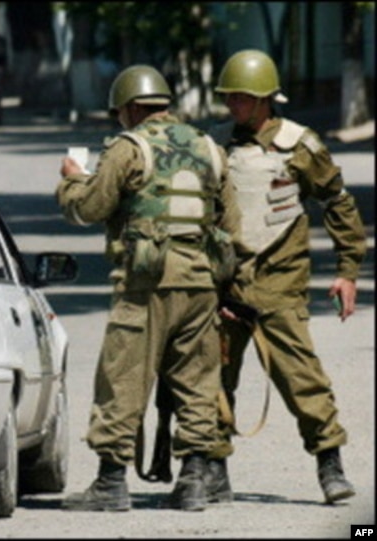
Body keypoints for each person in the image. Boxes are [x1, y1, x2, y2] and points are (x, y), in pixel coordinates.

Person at [56, 64, 242, 512]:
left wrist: (71, 179)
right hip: (200, 282)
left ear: (131, 108)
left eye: (120, 112)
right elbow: (232, 225)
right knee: (197, 382)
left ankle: (111, 482)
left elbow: (91, 207)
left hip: (146, 282)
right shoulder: (209, 147)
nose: (120, 119)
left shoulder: (129, 147)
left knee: (122, 377)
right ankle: (194, 479)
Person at [208, 49, 367, 504]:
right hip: (225, 285)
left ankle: (330, 464)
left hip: (279, 284)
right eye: (228, 96)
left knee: (302, 379)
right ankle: (212, 468)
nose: (232, 104)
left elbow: (337, 203)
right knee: (211, 379)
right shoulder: (215, 146)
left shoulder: (300, 145)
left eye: (241, 96)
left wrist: (347, 271)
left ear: (264, 99)